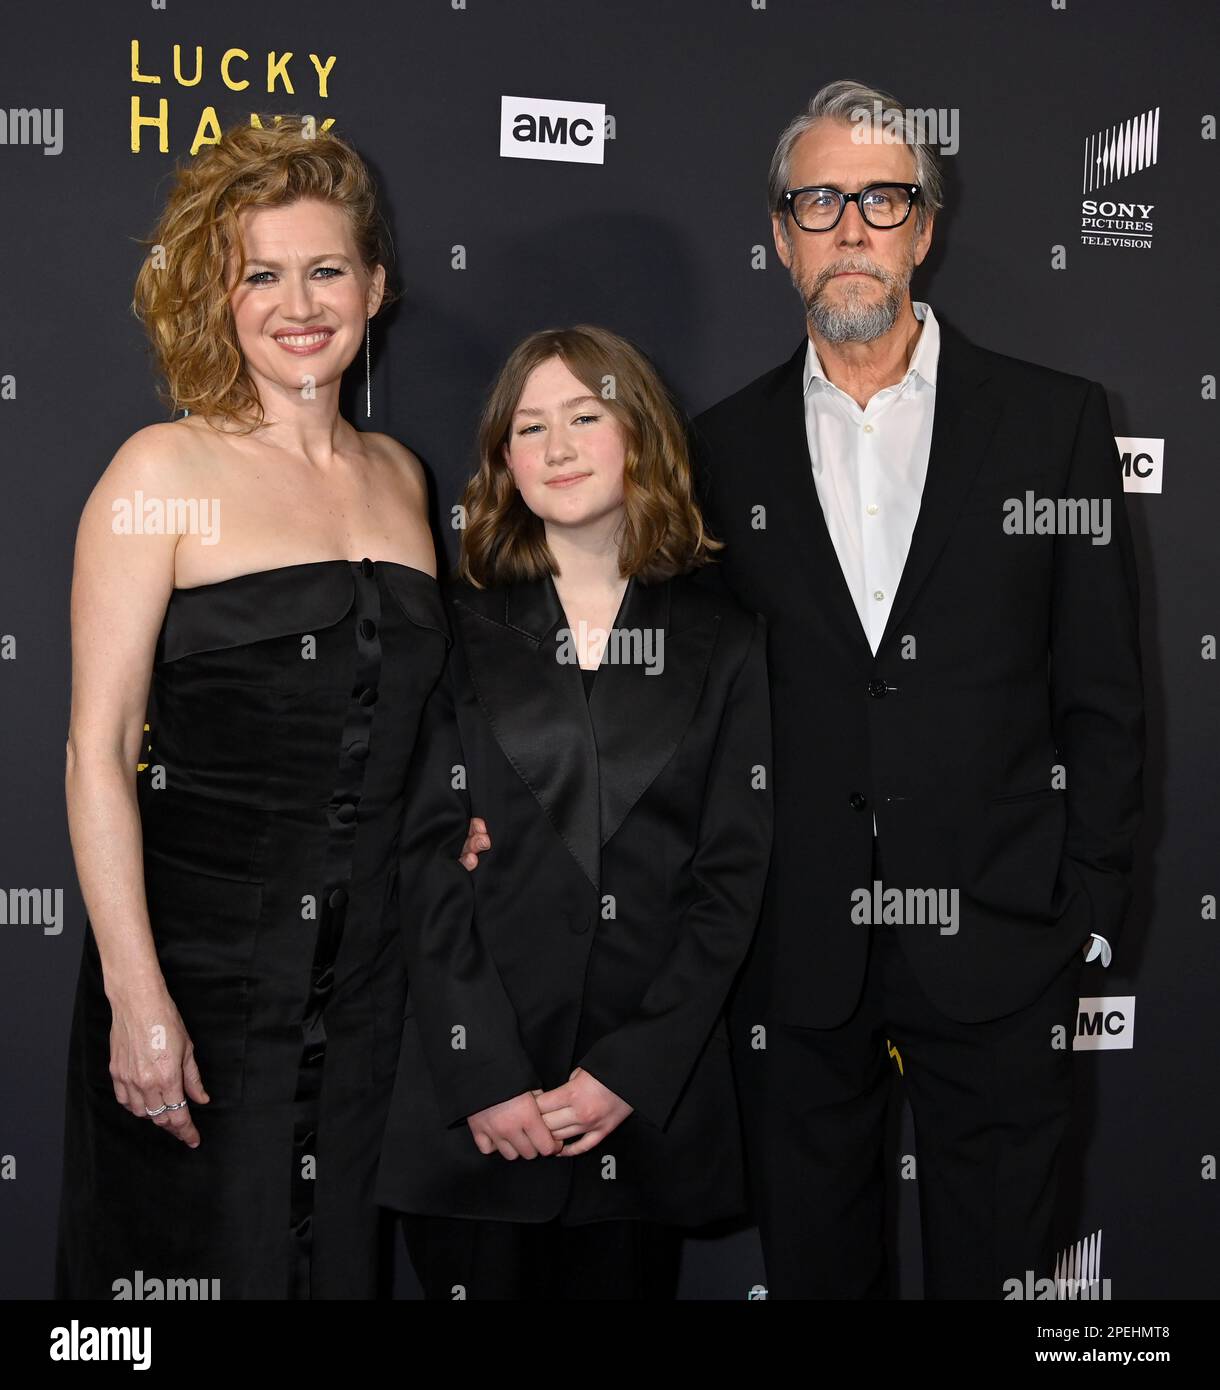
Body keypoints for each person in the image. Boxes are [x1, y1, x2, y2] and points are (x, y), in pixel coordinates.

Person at [690, 79, 1144, 1298]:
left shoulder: (1051, 424)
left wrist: (1083, 905)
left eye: (881, 199)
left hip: (999, 940)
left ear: (922, 229)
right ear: (780, 237)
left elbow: (1103, 688)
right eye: (819, 201)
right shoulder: (713, 451)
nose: (850, 227)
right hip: (792, 953)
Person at [56, 118, 450, 1299]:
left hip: (371, 986)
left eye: (325, 268)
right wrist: (137, 996)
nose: (298, 303)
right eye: (260, 274)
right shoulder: (158, 471)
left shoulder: (401, 476)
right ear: (219, 297)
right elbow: (96, 749)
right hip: (199, 978)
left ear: (375, 286)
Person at [375, 325, 773, 1299]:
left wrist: (627, 1071)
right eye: (529, 427)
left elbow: (731, 877)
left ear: (637, 431)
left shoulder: (723, 641)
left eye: (584, 417)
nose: (555, 448)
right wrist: (484, 1076)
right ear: (502, 463)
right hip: (472, 1112)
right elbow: (425, 859)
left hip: (633, 1116)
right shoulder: (455, 628)